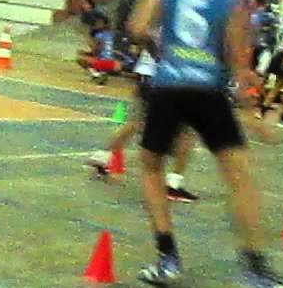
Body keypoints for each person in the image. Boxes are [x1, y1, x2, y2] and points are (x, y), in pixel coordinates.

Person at [125, 0, 283, 288]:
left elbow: (136, 28)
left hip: (168, 87)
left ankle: (167, 258)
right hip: (208, 92)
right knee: (238, 176)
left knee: (151, 168)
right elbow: (238, 59)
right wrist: (252, 114)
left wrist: (159, 46)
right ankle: (255, 268)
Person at [86, 42, 201, 203]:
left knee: (137, 121)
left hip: (146, 77)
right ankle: (173, 185)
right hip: (166, 79)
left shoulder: (157, 21)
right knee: (187, 132)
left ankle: (102, 156)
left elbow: (144, 42)